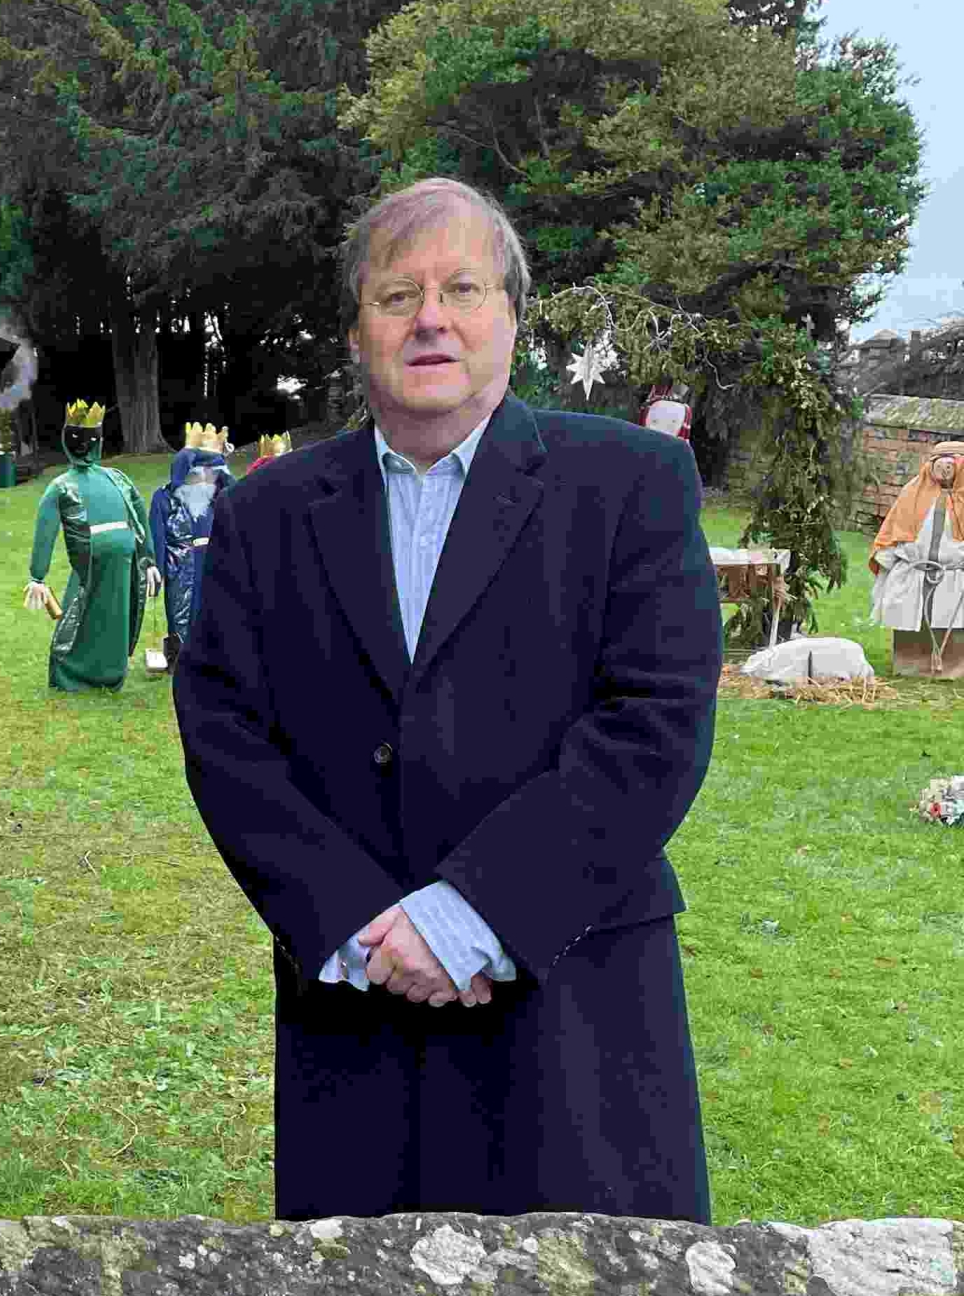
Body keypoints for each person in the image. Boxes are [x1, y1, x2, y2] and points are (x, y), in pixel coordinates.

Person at [174, 177, 721, 1221]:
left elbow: (653, 723)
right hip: (357, 1009)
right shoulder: (266, 514)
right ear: (355, 330)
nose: (431, 317)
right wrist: (357, 920)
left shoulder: (631, 485)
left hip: (571, 1008)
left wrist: (473, 912)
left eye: (463, 288)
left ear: (510, 316)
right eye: (397, 295)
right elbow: (225, 734)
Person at [24, 399, 159, 692]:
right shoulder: (118, 478)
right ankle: (111, 672)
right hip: (125, 551)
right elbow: (139, 518)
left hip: (92, 553)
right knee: (115, 608)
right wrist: (147, 558)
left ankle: (74, 673)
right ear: (98, 443)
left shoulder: (60, 486)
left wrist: (38, 576)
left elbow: (45, 532)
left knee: (82, 607)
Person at [869, 441, 964, 673]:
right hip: (914, 570)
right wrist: (887, 558)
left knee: (952, 621)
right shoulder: (913, 492)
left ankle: (952, 668)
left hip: (955, 573)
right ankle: (910, 665)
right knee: (911, 619)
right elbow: (895, 527)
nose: (945, 471)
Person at [146, 424, 233, 672]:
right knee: (180, 612)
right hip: (180, 563)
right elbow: (158, 535)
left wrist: (218, 461)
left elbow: (234, 490)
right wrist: (157, 568)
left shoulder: (219, 494)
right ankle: (182, 658)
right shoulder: (163, 498)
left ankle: (214, 656)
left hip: (212, 559)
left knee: (214, 607)